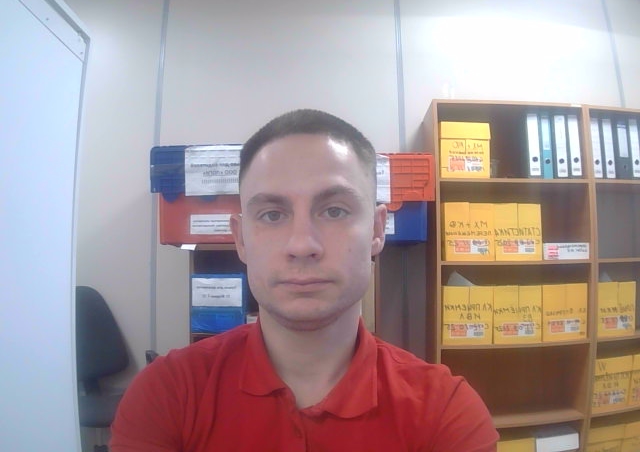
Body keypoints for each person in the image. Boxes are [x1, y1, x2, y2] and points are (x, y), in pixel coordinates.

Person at [111, 109, 499, 451]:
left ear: (377, 230)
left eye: (334, 210)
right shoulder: (166, 394)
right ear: (241, 240)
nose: (302, 245)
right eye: (272, 215)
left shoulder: (446, 413)